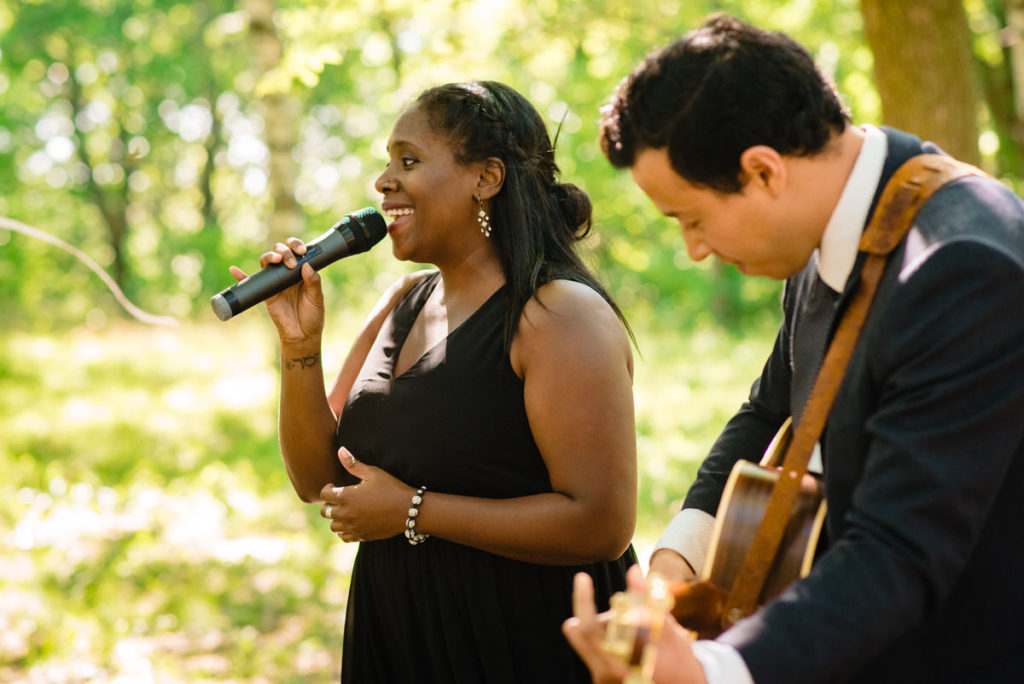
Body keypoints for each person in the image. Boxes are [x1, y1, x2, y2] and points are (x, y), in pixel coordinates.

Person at [563, 13, 1024, 684]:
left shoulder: (961, 264)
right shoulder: (833, 234)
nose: (695, 250)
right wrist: (673, 569)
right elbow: (768, 412)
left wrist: (712, 671)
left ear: (763, 171)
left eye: (693, 219)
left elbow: (899, 549)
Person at [231, 80, 638, 683]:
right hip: (401, 629)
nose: (383, 182)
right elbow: (321, 480)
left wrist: (414, 512)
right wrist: (300, 347)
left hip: (519, 637)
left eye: (409, 160)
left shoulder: (558, 314)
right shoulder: (404, 300)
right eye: (387, 161)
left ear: (486, 178)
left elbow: (600, 524)